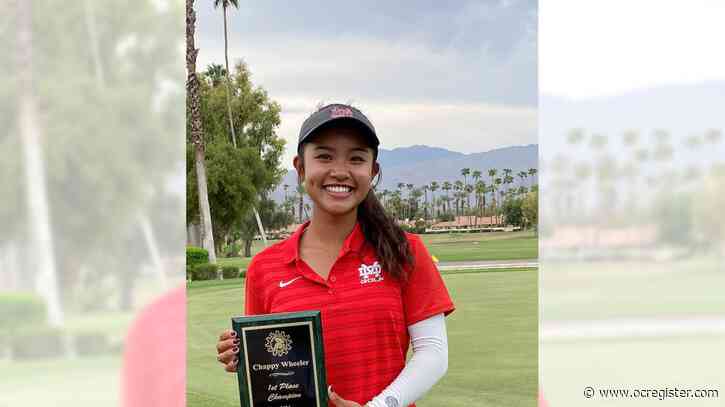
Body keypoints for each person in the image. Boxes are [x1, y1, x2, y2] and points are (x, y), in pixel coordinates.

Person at [215, 103, 455, 407]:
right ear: (301, 168)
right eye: (324, 156)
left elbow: (433, 353)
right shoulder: (265, 268)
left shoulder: (403, 250)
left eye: (356, 158)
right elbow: (276, 367)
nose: (340, 171)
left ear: (373, 171)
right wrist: (247, 358)